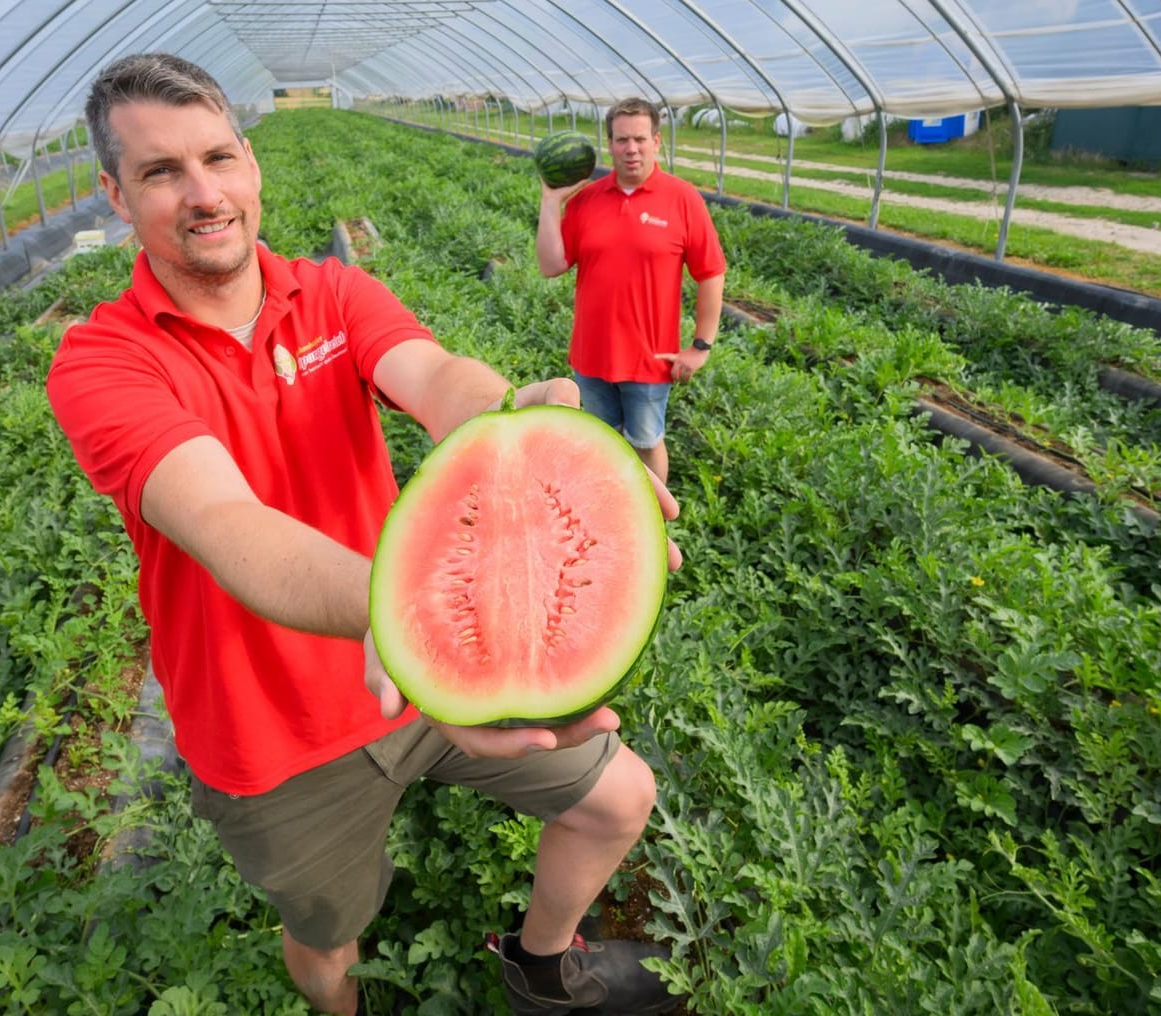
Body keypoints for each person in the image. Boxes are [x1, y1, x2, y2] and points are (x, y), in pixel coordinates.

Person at [45, 53, 683, 1016]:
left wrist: (517, 420)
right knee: (329, 938)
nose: (203, 193)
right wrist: (417, 624)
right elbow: (226, 522)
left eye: (217, 158)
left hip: (428, 669)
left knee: (618, 797)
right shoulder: (104, 361)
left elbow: (436, 378)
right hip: (276, 732)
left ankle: (541, 964)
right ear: (114, 193)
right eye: (160, 172)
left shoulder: (333, 295)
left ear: (253, 164)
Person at [535, 98, 727, 485]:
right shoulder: (587, 200)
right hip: (591, 356)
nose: (631, 149)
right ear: (609, 144)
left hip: (649, 360)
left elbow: (711, 273)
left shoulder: (682, 198)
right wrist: (551, 200)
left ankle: (655, 521)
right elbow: (551, 265)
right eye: (622, 140)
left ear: (657, 141)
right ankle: (607, 514)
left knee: (645, 442)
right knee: (598, 445)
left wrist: (700, 346)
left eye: (640, 138)